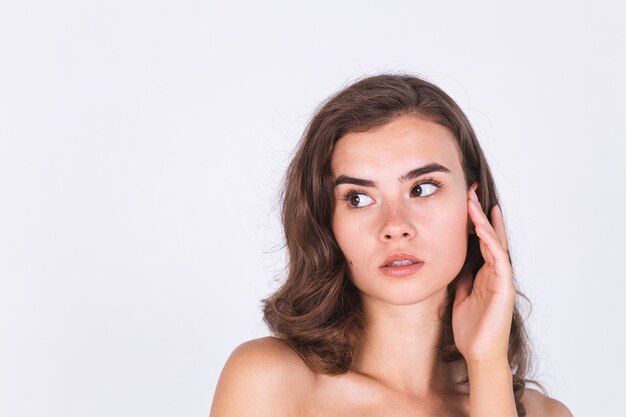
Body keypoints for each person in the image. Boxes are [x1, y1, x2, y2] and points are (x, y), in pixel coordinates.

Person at [209, 74, 573, 417]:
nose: (395, 226)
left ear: (471, 204)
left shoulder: (545, 413)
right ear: (326, 221)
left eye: (422, 188)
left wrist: (487, 363)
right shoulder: (270, 383)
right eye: (358, 198)